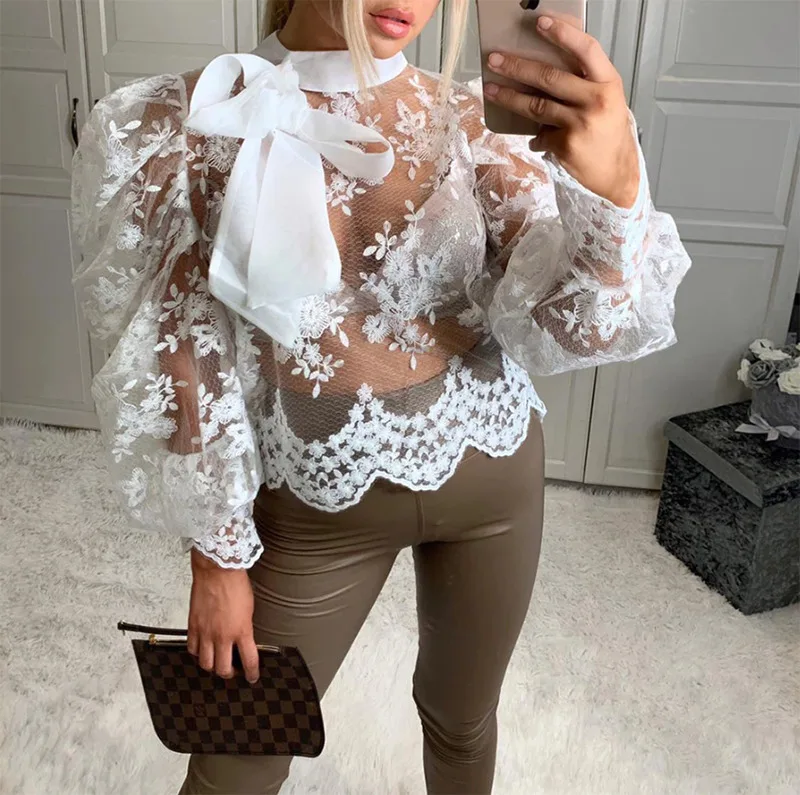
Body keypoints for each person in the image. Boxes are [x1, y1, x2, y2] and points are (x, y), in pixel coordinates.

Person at [71, 0, 690, 792]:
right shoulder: (185, 120)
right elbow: (184, 347)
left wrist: (613, 197)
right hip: (313, 511)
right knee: (233, 763)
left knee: (462, 719)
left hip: (493, 478)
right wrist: (216, 558)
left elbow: (573, 331)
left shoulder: (472, 119)